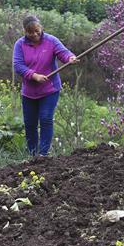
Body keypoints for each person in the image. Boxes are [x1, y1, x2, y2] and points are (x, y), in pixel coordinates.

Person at [13, 15, 78, 156]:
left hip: (50, 90)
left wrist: (70, 57)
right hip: (29, 92)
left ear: (40, 27)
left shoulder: (51, 40)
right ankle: (32, 154)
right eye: (31, 32)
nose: (35, 34)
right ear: (25, 31)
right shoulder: (20, 44)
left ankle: (43, 154)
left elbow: (63, 52)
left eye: (37, 30)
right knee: (30, 124)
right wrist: (34, 76)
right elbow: (18, 65)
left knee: (46, 119)